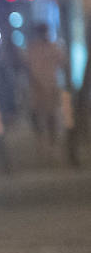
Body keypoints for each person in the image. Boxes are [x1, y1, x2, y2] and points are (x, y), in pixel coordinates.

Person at [25, 22, 73, 154]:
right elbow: (27, 67)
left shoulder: (54, 47)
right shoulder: (32, 48)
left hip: (51, 86)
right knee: (35, 114)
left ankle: (52, 142)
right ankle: (40, 140)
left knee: (51, 115)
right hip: (36, 88)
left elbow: (63, 64)